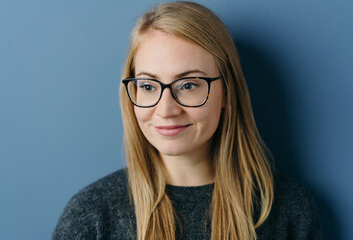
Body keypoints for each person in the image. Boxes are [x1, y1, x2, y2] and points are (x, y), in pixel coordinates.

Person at [52, 1, 322, 239]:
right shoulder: (92, 216)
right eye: (148, 86)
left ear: (227, 92)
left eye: (189, 85)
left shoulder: (288, 210)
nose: (166, 109)